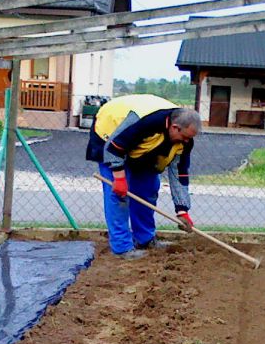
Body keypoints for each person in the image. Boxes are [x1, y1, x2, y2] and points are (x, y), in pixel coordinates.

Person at [86, 94, 201, 259]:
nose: (185, 142)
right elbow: (114, 148)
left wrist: (182, 209)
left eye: (189, 139)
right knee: (119, 196)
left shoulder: (184, 141)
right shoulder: (146, 122)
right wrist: (119, 178)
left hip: (142, 147)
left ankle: (144, 239)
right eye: (184, 137)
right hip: (110, 136)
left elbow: (179, 173)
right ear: (174, 127)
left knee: (148, 189)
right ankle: (122, 248)